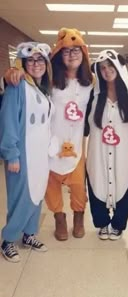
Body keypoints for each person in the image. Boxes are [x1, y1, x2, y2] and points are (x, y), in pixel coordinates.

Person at [5, 28, 94, 241]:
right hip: (49, 144)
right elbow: (27, 85)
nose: (71, 55)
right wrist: (12, 73)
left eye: (76, 50)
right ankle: (59, 218)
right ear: (58, 55)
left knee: (78, 185)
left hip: (76, 145)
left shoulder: (91, 83)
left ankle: (79, 217)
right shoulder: (49, 82)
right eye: (66, 51)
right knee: (50, 184)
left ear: (83, 54)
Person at [0, 42, 52, 262]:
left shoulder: (42, 89)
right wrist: (11, 154)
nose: (36, 64)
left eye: (40, 59)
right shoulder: (17, 86)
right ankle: (8, 240)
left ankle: (29, 234)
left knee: (37, 194)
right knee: (20, 198)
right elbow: (8, 121)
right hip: (22, 156)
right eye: (30, 60)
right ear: (23, 63)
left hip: (40, 155)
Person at [85, 50, 128, 240]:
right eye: (102, 68)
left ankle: (118, 223)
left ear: (119, 66)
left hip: (124, 153)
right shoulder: (93, 96)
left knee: (124, 184)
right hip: (97, 152)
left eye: (110, 66)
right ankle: (102, 222)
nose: (107, 71)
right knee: (97, 183)